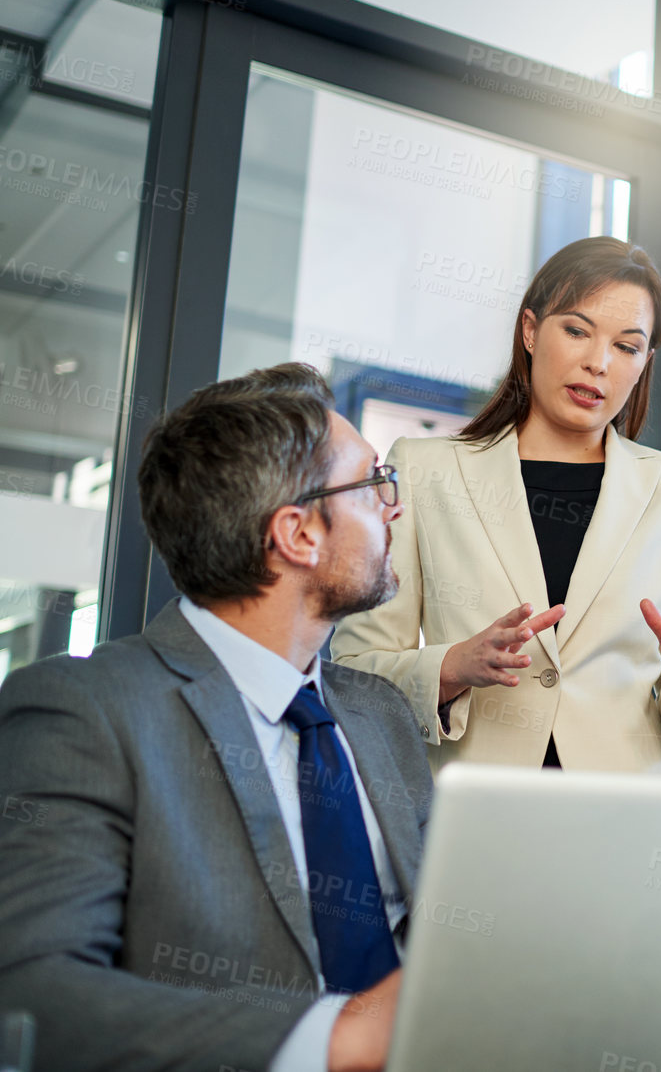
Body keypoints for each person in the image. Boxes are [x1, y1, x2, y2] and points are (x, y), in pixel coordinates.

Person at [0, 364, 427, 1072]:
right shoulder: (83, 712)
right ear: (298, 534)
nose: (394, 506)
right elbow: (31, 995)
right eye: (373, 481)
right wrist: (338, 1037)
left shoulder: (378, 712)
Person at [333, 237, 661, 773]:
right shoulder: (424, 470)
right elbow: (354, 675)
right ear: (530, 330)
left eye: (626, 346)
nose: (598, 363)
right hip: (476, 814)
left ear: (645, 362)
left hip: (625, 823)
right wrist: (453, 666)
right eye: (576, 330)